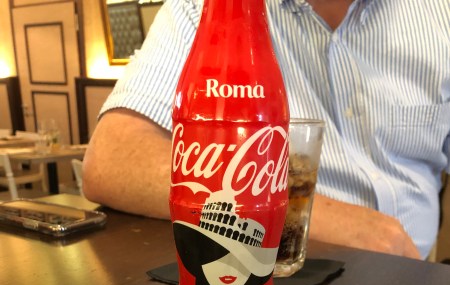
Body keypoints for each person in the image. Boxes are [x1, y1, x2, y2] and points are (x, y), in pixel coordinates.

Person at [83, 0, 450, 260]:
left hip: (414, 281)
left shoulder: (439, 14)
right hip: (263, 272)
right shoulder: (207, 8)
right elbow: (111, 161)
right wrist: (309, 221)